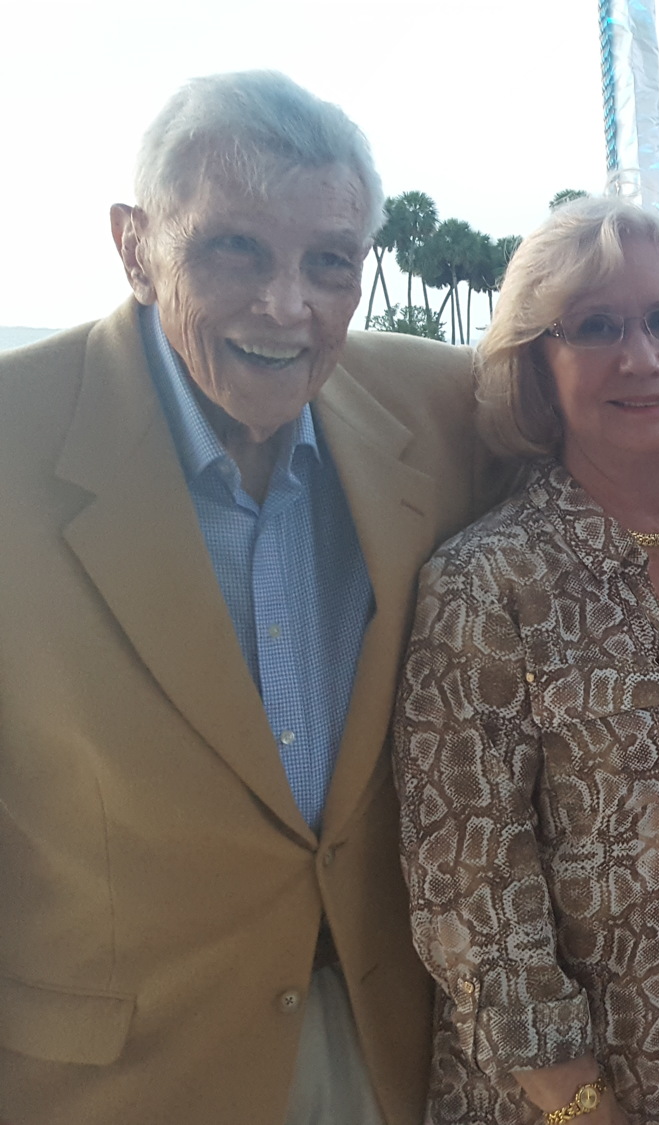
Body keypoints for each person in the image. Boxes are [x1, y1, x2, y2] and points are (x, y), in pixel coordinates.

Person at [0, 72, 488, 1123]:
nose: (286, 305)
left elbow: (638, 464)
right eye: (234, 250)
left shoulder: (435, 405)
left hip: (385, 1045)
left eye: (329, 261)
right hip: (116, 1076)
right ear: (135, 246)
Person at [393, 197, 659, 1125]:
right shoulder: (488, 582)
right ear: (538, 365)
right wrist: (579, 1105)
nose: (643, 357)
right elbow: (469, 895)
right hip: (577, 1106)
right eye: (596, 327)